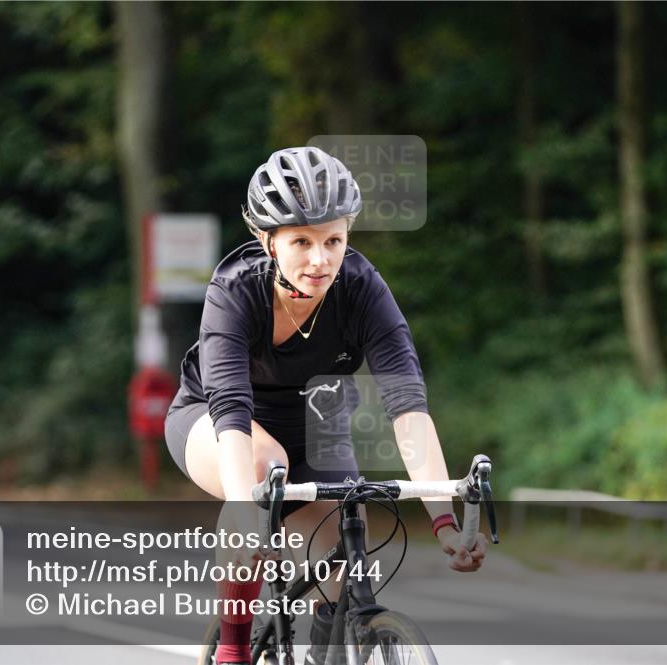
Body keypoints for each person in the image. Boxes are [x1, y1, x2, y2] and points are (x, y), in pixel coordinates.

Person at [165, 146, 487, 664]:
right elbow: (229, 405)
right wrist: (247, 509)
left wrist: (443, 520)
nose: (320, 259)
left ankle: (325, 652)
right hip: (217, 419)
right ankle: (233, 645)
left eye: (334, 240)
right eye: (301, 242)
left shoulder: (362, 290)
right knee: (263, 468)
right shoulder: (233, 292)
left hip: (316, 419)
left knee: (342, 551)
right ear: (268, 242)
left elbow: (406, 405)